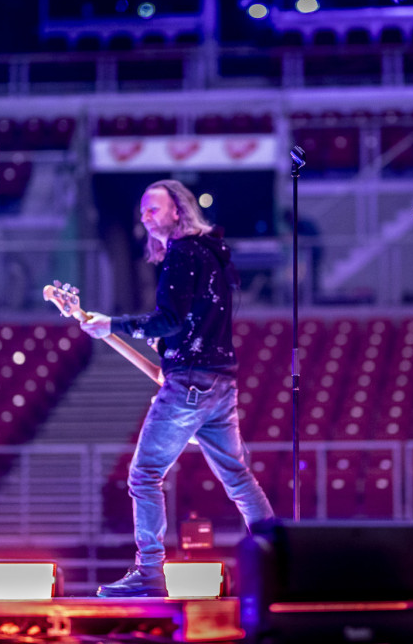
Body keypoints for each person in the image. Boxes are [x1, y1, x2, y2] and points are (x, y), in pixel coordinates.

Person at [79, 179, 275, 598]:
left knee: (144, 474)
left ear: (178, 212)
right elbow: (193, 320)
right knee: (238, 478)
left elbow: (169, 319)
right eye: (143, 210)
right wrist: (167, 341)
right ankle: (279, 558)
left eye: (154, 208)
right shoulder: (209, 253)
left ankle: (149, 572)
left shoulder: (182, 253)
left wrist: (115, 325)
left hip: (191, 382)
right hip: (221, 380)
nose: (145, 216)